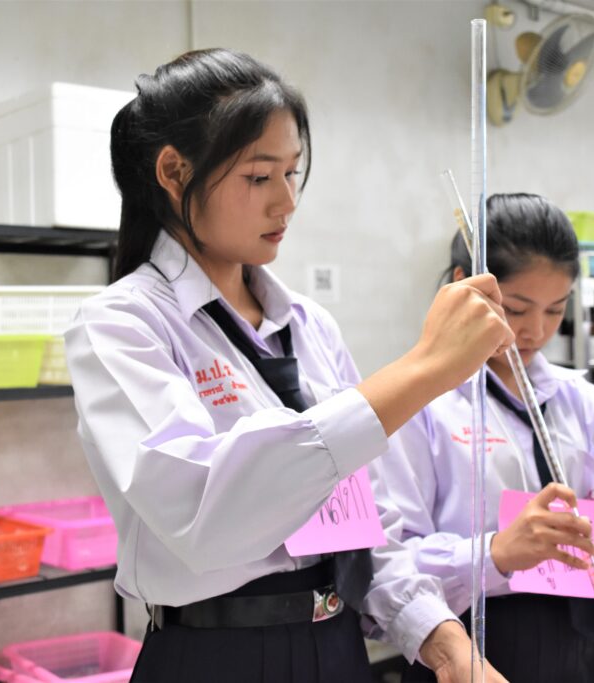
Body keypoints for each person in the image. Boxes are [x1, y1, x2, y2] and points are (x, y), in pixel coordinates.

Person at [64, 48, 515, 683]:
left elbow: (365, 521)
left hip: (337, 647)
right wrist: (422, 369)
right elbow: (203, 514)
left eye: (292, 173)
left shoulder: (309, 325)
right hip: (215, 659)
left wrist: (446, 645)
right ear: (173, 171)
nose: (286, 202)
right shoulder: (123, 323)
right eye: (258, 177)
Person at [379, 193, 594, 683]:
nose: (534, 331)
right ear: (463, 287)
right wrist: (494, 552)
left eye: (555, 310)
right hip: (464, 647)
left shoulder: (583, 404)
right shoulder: (420, 403)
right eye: (515, 309)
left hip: (579, 647)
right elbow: (389, 559)